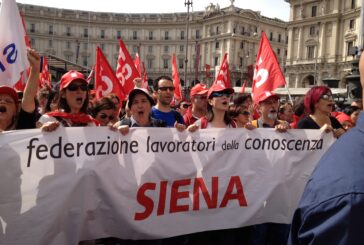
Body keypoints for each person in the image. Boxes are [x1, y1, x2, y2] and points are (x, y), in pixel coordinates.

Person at [287, 52, 364, 244]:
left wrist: (342, 135)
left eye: (331, 95)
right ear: (314, 101)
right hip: (312, 184)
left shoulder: (335, 122)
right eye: (325, 96)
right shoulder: (305, 123)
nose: (331, 98)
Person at [0, 49, 40, 132]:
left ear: (16, 111)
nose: (2, 102)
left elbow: (28, 98)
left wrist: (35, 69)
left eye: (8, 101)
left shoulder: (22, 127)